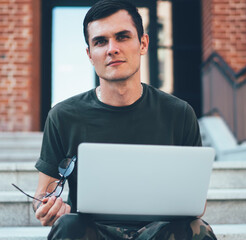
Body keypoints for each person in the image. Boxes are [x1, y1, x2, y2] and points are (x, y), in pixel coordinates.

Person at [32, 0, 217, 239]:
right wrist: (46, 207)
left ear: (143, 43)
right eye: (100, 41)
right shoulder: (63, 116)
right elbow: (41, 196)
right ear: (90, 54)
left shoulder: (179, 113)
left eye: (122, 37)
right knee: (67, 227)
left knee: (197, 229)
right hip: (92, 232)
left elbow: (195, 206)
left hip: (159, 232)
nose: (112, 49)